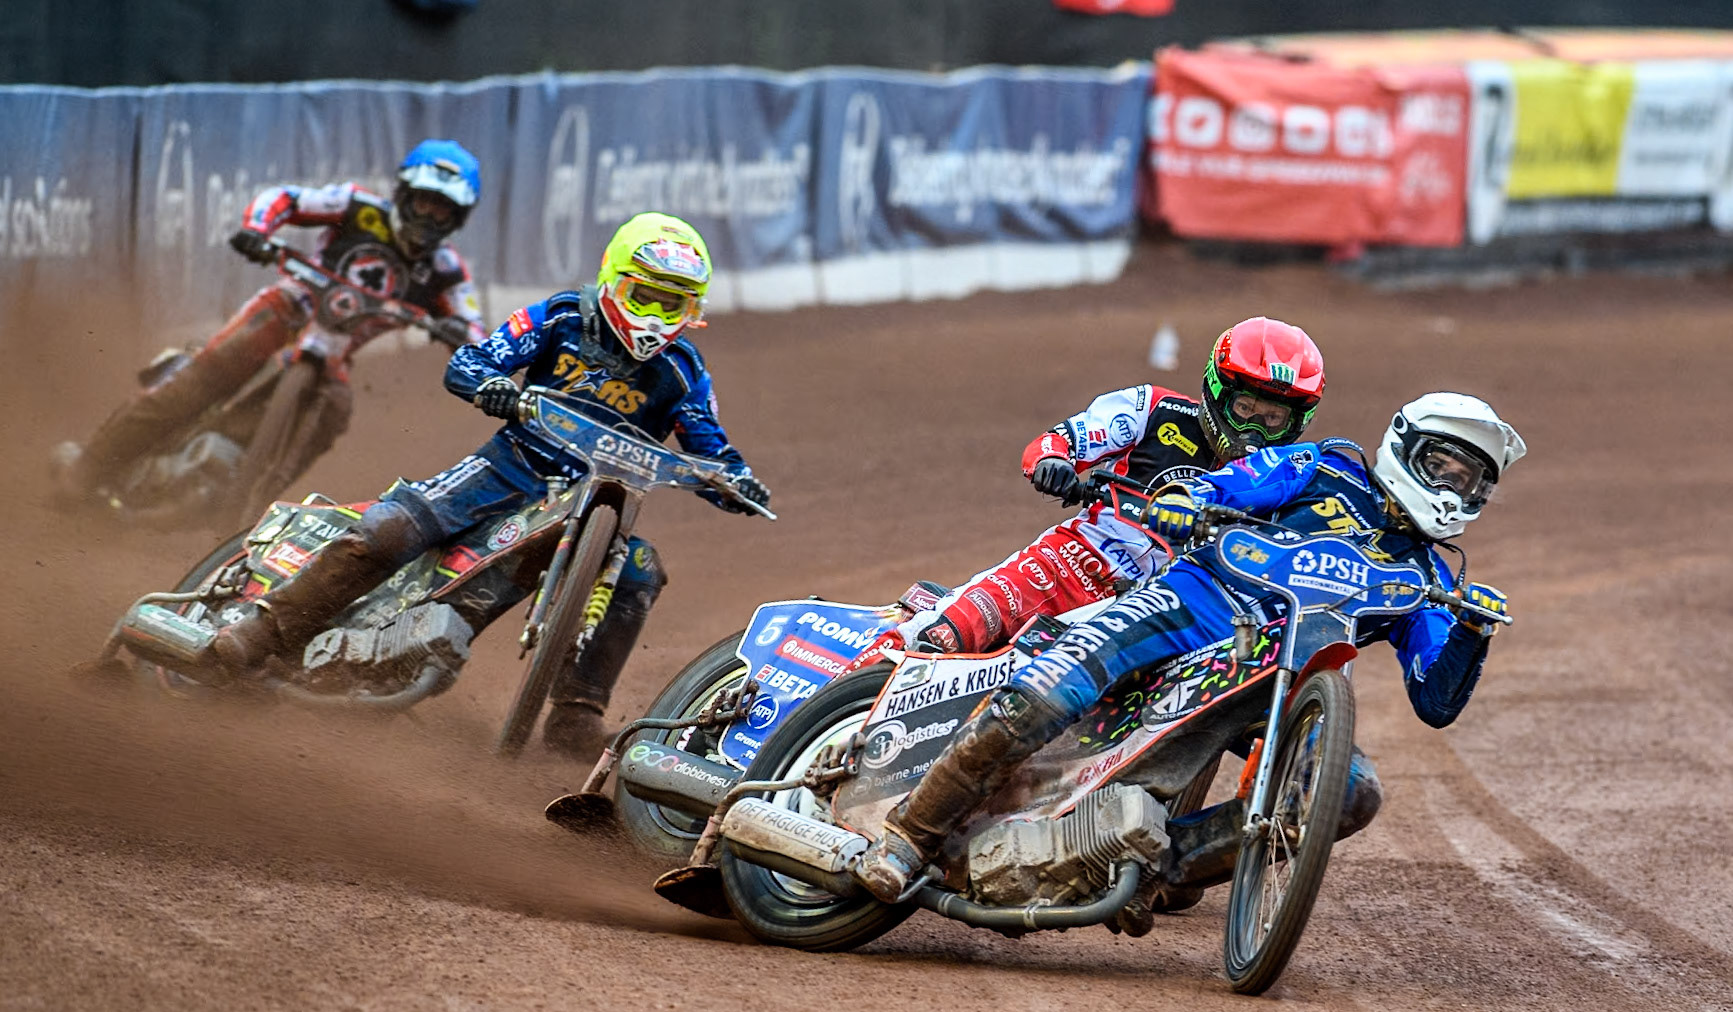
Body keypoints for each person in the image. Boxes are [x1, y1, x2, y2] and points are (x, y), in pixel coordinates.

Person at [855, 391, 1525, 902]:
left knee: (1352, 788)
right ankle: (910, 834)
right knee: (1048, 690)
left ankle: (1159, 866)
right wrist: (1184, 496)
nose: (1451, 488)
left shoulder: (1431, 579)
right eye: (1442, 466)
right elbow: (1229, 482)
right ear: (1404, 447)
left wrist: (1472, 631)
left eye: (1469, 480)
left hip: (1271, 682)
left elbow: (1434, 701)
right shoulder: (1324, 468)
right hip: (1188, 607)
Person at [207, 211, 771, 757]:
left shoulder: (684, 370)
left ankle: (576, 714)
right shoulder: (559, 317)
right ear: (613, 280)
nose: (656, 315)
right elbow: (475, 360)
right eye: (646, 296)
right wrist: (492, 385)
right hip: (507, 468)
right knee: (391, 529)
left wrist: (736, 480)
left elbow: (709, 446)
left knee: (641, 569)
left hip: (596, 503)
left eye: (673, 303)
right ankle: (264, 632)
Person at [60, 139, 488, 504]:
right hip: (288, 307)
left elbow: (476, 331)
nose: (430, 217)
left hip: (337, 351)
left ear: (458, 219)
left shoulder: (446, 270)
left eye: (443, 211)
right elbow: (286, 199)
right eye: (425, 202)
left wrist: (464, 341)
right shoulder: (358, 207)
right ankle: (88, 467)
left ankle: (255, 500)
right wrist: (257, 230)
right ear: (403, 192)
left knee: (336, 410)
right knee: (200, 378)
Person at [888, 317, 1324, 658]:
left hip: (1161, 614)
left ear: (1295, 423)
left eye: (1272, 419)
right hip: (1068, 568)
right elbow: (1057, 441)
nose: (1253, 429)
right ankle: (838, 705)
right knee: (944, 633)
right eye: (1245, 407)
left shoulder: (1288, 479)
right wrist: (1052, 462)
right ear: (1217, 389)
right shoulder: (1155, 409)